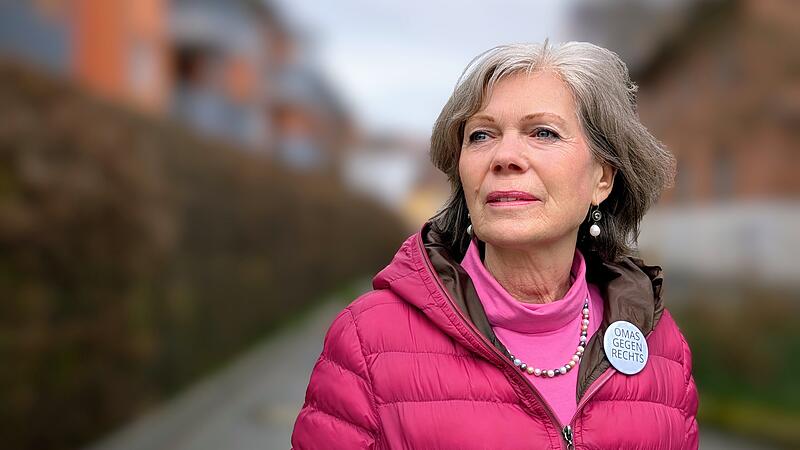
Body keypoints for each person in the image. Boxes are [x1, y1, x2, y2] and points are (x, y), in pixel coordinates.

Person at [291, 41, 698, 449]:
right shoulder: (368, 340)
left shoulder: (660, 346)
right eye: (481, 135)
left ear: (602, 180)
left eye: (543, 132)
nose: (504, 156)